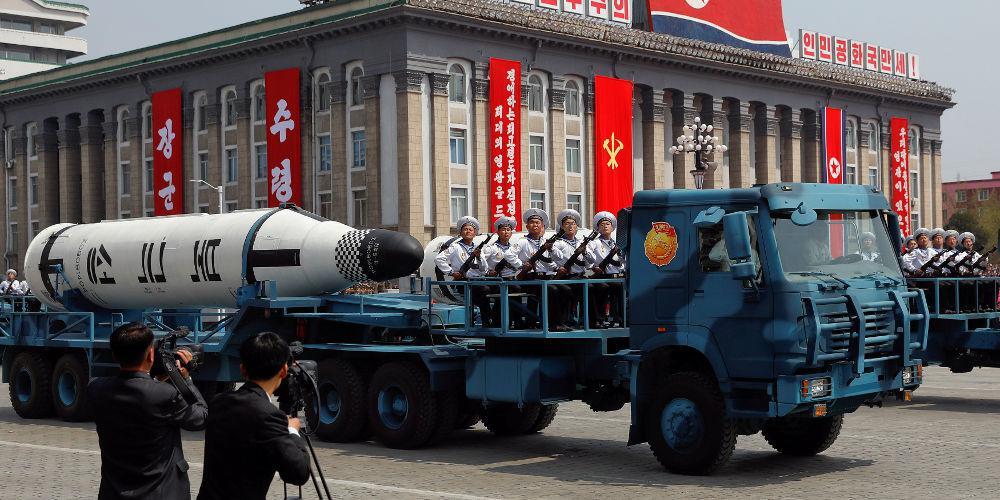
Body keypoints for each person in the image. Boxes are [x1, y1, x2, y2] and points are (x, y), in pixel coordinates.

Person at [87, 322, 207, 500]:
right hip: (159, 493)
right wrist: (186, 380)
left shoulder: (96, 388)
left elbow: (138, 394)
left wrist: (155, 380)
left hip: (114, 492)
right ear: (151, 354)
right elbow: (200, 418)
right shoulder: (164, 394)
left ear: (114, 355)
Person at [198, 332, 310, 499]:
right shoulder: (270, 416)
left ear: (242, 369)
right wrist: (292, 430)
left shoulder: (218, 402)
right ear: (284, 370)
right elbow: (298, 473)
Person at [435, 216, 491, 327]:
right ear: (460, 232)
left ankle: (490, 321)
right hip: (463, 282)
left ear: (475, 233)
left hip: (477, 281)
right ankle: (485, 322)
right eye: (465, 229)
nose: (468, 231)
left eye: (471, 230)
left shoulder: (477, 249)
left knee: (492, 290)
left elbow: (484, 269)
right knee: (484, 291)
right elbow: (439, 259)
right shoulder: (455, 247)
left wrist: (478, 257)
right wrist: (451, 272)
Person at [517, 208, 561, 329]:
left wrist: (551, 249)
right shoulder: (523, 242)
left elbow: (558, 258)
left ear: (542, 226)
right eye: (532, 222)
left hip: (544, 278)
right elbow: (509, 255)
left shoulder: (546, 242)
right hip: (529, 278)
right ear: (527, 226)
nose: (535, 225)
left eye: (538, 223)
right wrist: (522, 265)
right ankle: (551, 324)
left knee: (556, 290)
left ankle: (550, 322)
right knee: (551, 290)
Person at [585, 211, 625, 328]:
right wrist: (593, 267)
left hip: (616, 277)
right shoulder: (594, 243)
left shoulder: (617, 244)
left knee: (621, 294)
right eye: (602, 225)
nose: (605, 226)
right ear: (598, 228)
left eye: (608, 224)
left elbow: (622, 261)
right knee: (602, 290)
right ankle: (599, 319)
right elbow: (588, 259)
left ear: (612, 228)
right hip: (602, 277)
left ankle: (620, 318)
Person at [483, 216, 523, 327]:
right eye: (503, 230)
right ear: (498, 232)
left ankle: (517, 322)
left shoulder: (514, 249)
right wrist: (488, 272)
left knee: (517, 292)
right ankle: (500, 322)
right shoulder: (492, 248)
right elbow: (480, 262)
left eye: (508, 230)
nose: (506, 232)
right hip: (496, 280)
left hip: (511, 279)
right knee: (508, 294)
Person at [552, 209, 587, 331]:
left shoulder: (580, 243)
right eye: (567, 223)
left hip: (579, 276)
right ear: (562, 227)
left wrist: (585, 252)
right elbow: (552, 258)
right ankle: (563, 321)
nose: (570, 226)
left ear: (577, 226)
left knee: (592, 289)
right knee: (566, 292)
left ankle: (587, 320)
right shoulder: (558, 243)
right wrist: (557, 268)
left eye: (573, 223)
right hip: (565, 277)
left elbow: (589, 262)